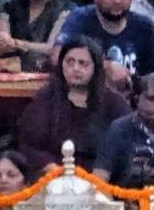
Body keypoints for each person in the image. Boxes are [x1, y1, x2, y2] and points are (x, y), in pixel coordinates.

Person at [16, 40, 133, 174]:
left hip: (101, 178)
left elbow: (127, 144)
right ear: (61, 64)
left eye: (83, 63)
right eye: (70, 62)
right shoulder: (46, 98)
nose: (76, 68)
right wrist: (51, 168)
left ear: (96, 67)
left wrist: (102, 172)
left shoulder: (114, 103)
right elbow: (29, 146)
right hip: (54, 177)